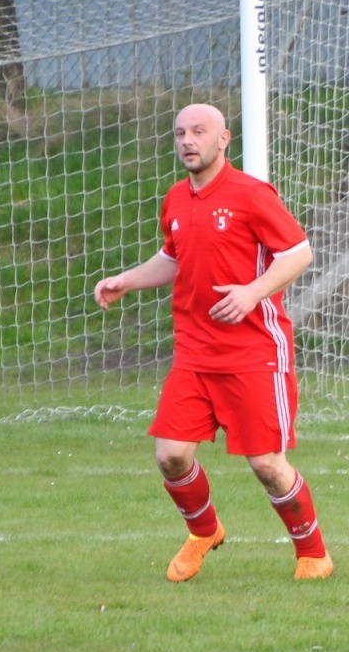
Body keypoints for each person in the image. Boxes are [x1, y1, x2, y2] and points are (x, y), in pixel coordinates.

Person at [93, 103, 333, 583]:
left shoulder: (251, 195)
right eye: (180, 132)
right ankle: (204, 531)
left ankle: (313, 554)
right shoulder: (176, 199)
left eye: (199, 131)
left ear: (224, 139)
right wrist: (128, 280)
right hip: (196, 353)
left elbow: (299, 252)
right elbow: (173, 258)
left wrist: (252, 292)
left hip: (254, 353)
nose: (187, 140)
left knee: (267, 464)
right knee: (171, 455)